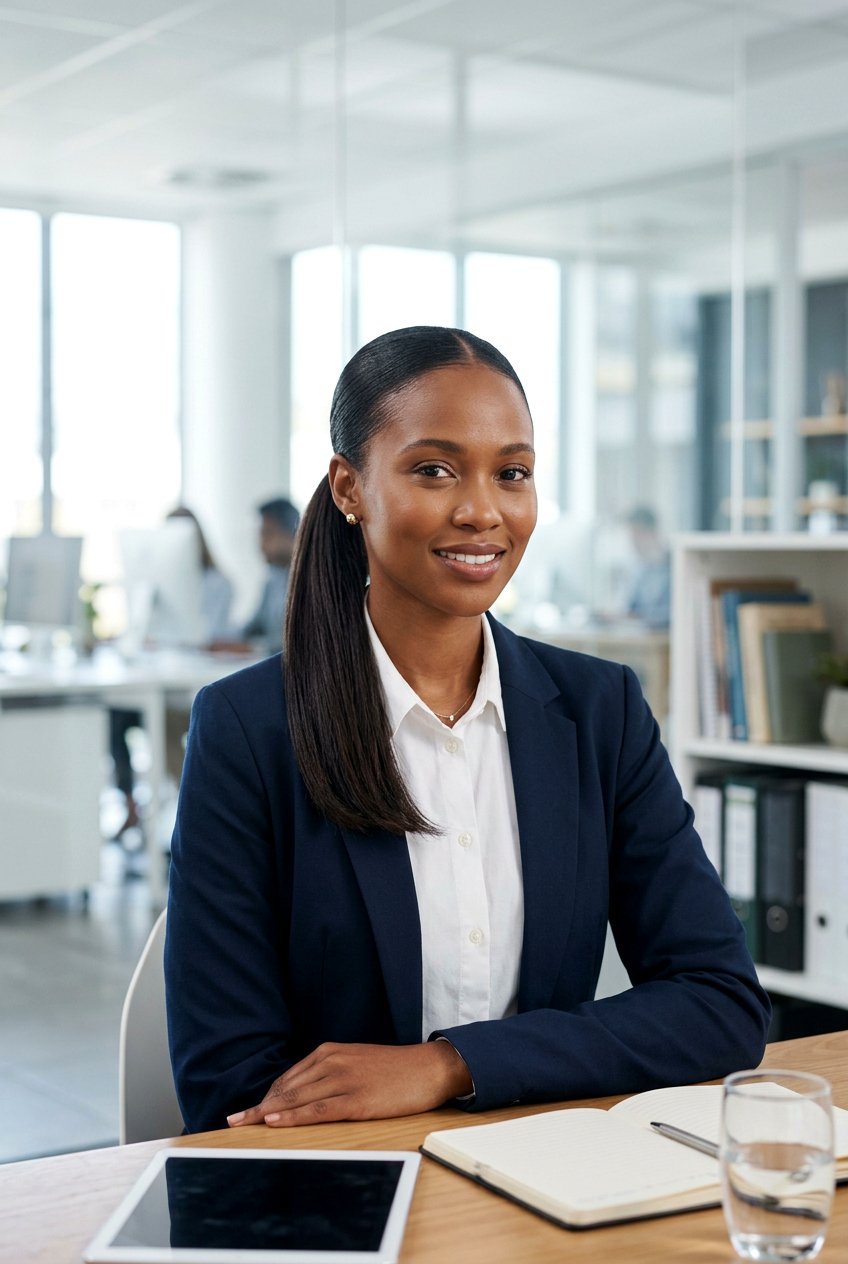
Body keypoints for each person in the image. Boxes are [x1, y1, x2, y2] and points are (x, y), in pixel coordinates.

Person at [165, 326, 770, 1134]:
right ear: (350, 487)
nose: (483, 510)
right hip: (343, 1189)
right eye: (434, 470)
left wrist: (450, 1064)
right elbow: (227, 1083)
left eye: (511, 473)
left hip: (544, 1171)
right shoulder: (248, 728)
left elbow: (722, 1005)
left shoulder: (599, 711)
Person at [110, 507, 233, 837]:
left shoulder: (217, 582)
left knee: (163, 722)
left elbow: (209, 636)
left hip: (198, 685)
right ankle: (130, 804)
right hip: (167, 679)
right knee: (117, 715)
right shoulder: (162, 582)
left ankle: (197, 812)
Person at [241, 497, 300, 654]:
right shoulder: (273, 580)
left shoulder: (312, 580)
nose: (261, 544)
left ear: (292, 533)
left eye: (267, 534)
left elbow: (301, 641)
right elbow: (253, 627)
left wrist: (253, 648)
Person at [621, 505, 671, 630]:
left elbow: (668, 616)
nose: (632, 543)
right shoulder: (640, 568)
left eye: (636, 535)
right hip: (640, 637)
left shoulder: (671, 567)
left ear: (651, 533)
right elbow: (630, 608)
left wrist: (637, 618)